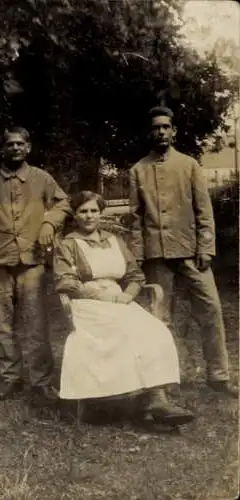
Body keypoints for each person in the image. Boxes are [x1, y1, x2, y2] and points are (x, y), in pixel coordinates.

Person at [53, 190, 194, 426]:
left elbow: (135, 275)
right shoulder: (68, 244)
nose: (89, 216)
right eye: (83, 211)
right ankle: (146, 397)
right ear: (75, 215)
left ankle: (157, 397)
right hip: (87, 303)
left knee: (154, 329)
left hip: (120, 300)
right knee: (123, 330)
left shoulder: (114, 240)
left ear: (101, 213)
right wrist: (99, 294)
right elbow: (65, 281)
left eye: (94, 211)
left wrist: (128, 295)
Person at [129, 106, 237, 397]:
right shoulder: (138, 170)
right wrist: (138, 257)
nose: (161, 132)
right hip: (156, 256)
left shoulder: (190, 165)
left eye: (166, 127)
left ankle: (218, 375)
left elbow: (204, 211)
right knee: (159, 318)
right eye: (155, 128)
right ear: (149, 133)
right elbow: (135, 219)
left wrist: (206, 247)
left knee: (211, 309)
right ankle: (165, 379)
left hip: (191, 253)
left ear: (173, 131)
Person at [0, 126, 70, 401]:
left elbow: (64, 203)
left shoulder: (42, 178)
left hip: (32, 262)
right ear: (3, 148)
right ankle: (10, 378)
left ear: (28, 148)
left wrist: (49, 221)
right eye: (10, 144)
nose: (15, 148)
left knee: (36, 323)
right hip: (0, 262)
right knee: (3, 324)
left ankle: (41, 380)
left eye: (20, 144)